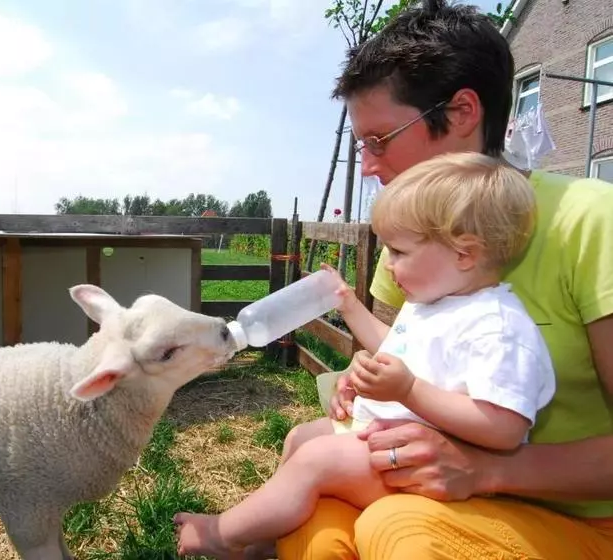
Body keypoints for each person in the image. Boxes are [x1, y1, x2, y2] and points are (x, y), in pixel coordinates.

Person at [273, 1, 613, 559]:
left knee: (397, 530)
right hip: (435, 489)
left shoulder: (593, 221)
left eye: (379, 140)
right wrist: (353, 384)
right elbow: (403, 360)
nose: (368, 165)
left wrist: (487, 470)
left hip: (570, 516)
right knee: (315, 526)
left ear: (460, 113)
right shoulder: (413, 237)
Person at [173, 152, 556, 559]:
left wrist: (408, 391)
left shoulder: (497, 327)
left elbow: (505, 428)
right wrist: (349, 305)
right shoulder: (434, 301)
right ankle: (261, 542)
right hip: (386, 441)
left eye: (400, 251)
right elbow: (395, 345)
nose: (387, 265)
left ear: (465, 254)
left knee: (318, 460)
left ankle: (224, 533)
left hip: (426, 474)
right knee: (302, 437)